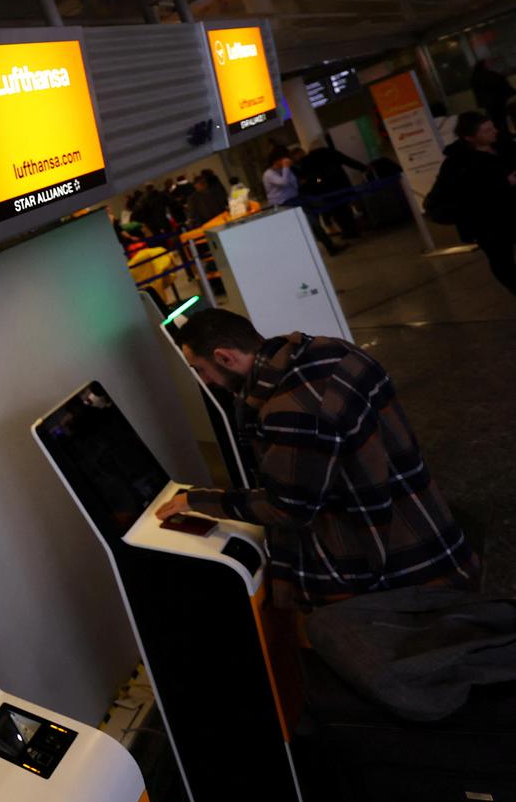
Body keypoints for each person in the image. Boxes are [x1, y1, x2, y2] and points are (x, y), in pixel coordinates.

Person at [159, 309, 479, 609]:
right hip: (426, 522)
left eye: (201, 370)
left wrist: (198, 501)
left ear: (224, 357)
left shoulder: (291, 407)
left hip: (394, 560)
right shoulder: (329, 350)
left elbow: (289, 507)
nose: (206, 382)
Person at [428, 111, 516, 294]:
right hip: (487, 223)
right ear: (470, 137)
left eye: (492, 127)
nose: (495, 132)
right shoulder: (458, 164)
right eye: (486, 130)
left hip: (510, 211)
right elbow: (466, 196)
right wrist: (504, 184)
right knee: (502, 261)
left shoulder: (504, 147)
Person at [265, 145, 343, 254]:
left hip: (297, 199)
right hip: (284, 204)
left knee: (315, 219)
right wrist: (286, 167)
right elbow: (284, 182)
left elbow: (293, 182)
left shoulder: (286, 170)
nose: (287, 160)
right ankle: (326, 247)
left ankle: (329, 246)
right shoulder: (269, 174)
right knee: (311, 223)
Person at [292, 141, 368, 238]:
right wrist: (363, 168)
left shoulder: (308, 159)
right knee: (345, 208)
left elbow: (310, 177)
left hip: (325, 189)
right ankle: (353, 230)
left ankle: (346, 231)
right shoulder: (331, 152)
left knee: (335, 210)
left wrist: (317, 183)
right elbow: (348, 161)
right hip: (341, 184)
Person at [470, 58, 515, 138]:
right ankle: (504, 134)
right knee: (501, 119)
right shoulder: (489, 75)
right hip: (496, 101)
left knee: (497, 119)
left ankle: (502, 135)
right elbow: (499, 83)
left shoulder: (476, 76)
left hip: (489, 102)